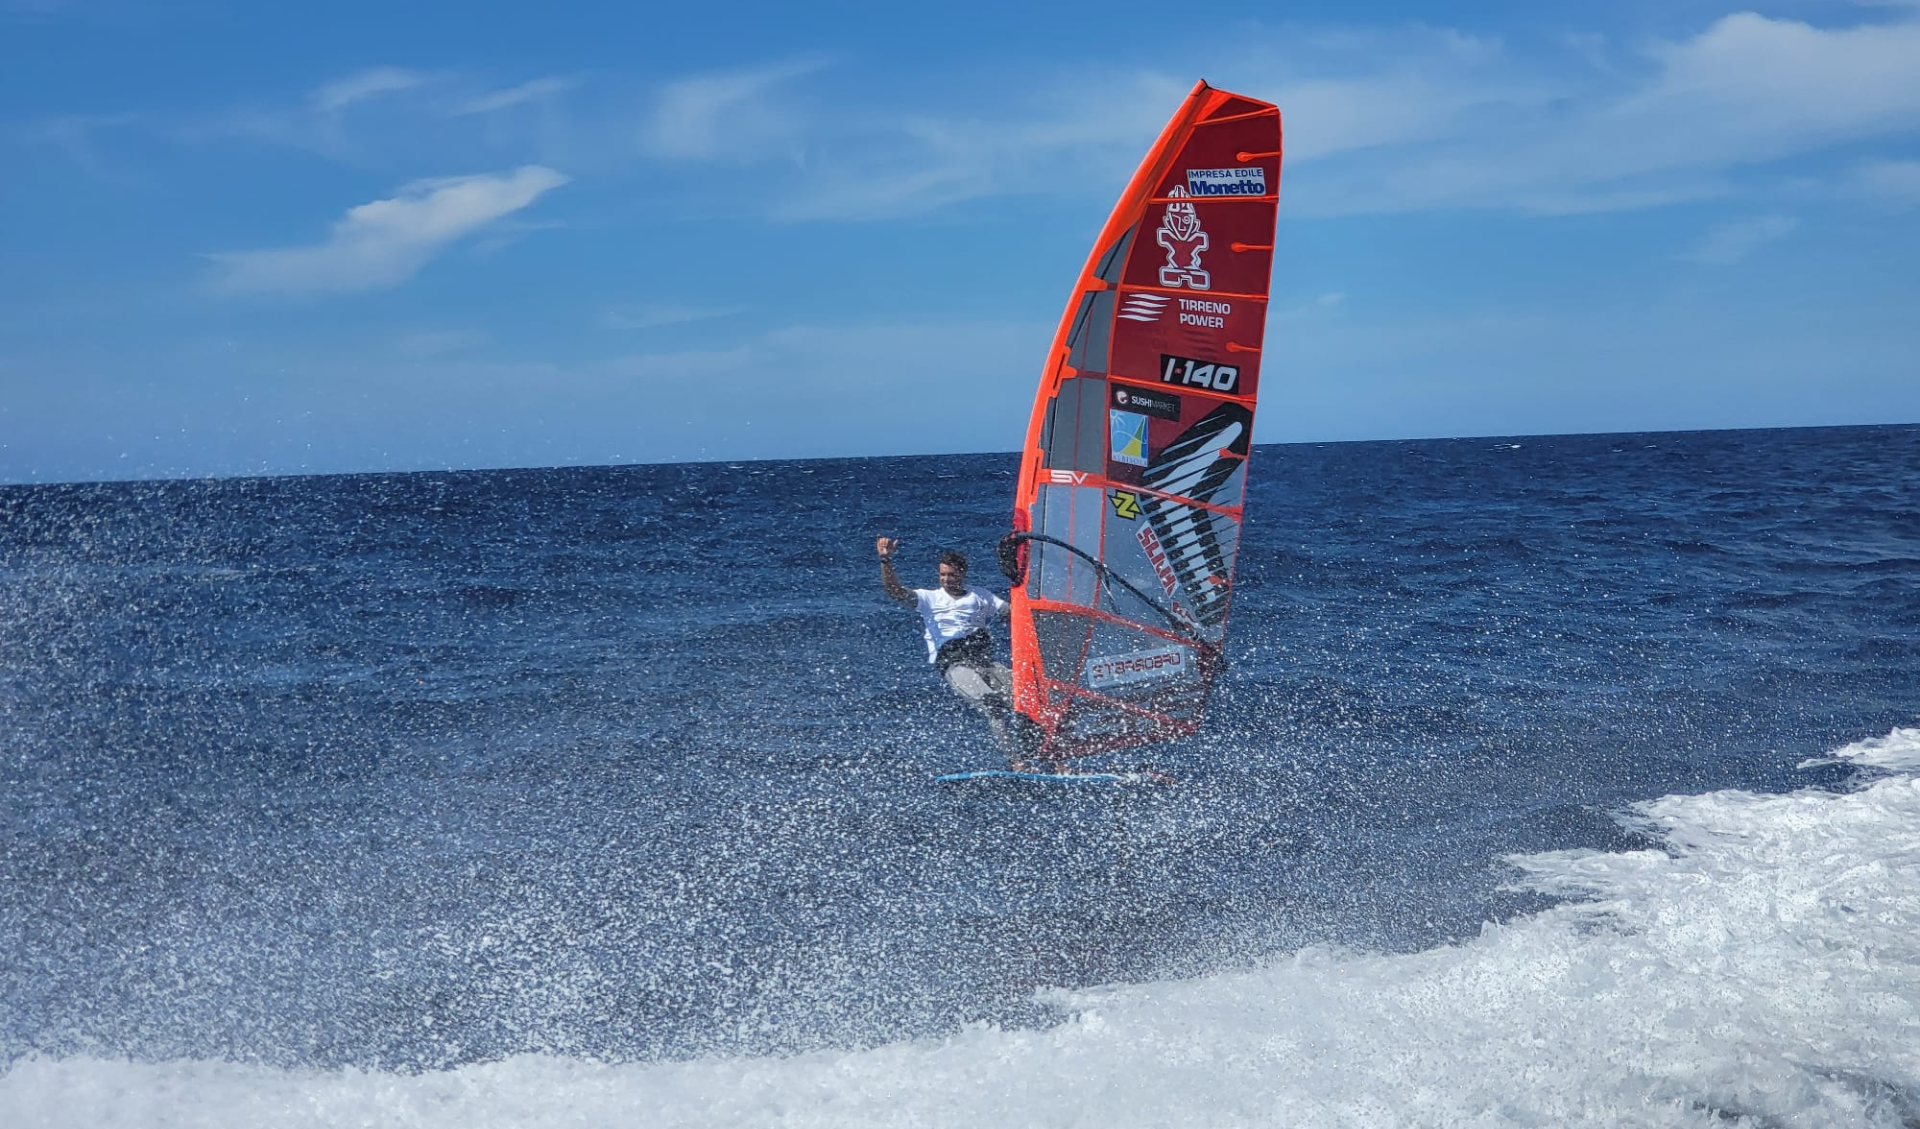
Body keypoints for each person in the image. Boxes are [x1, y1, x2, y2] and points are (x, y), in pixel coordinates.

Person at [876, 536, 1039, 767]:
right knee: (993, 704)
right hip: (956, 665)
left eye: (951, 575)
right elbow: (894, 590)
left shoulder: (980, 596)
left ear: (962, 573)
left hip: (986, 664)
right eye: (942, 575)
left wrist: (1031, 601)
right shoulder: (929, 598)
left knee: (1029, 701)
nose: (946, 580)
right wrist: (885, 561)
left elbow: (1015, 613)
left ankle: (1046, 757)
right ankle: (1017, 762)